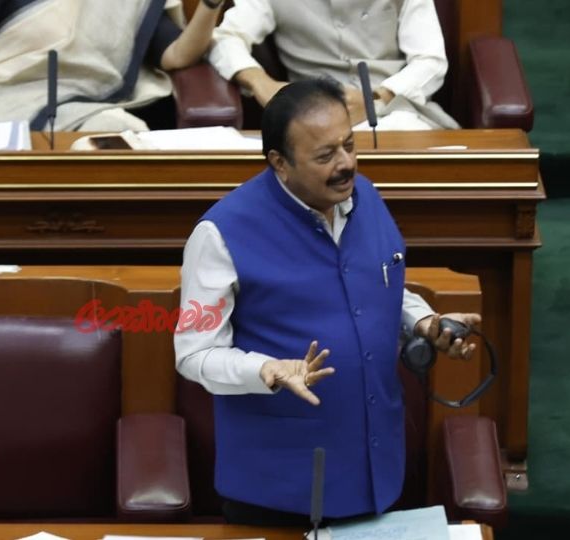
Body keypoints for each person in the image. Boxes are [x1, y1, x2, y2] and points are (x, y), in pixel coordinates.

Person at [174, 78, 479, 525]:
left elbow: (377, 284)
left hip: (377, 469)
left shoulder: (365, 197)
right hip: (281, 488)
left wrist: (422, 322)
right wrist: (265, 370)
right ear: (280, 163)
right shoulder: (221, 233)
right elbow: (194, 353)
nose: (346, 164)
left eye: (349, 145)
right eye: (325, 156)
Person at [0, 0, 223, 130]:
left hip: (86, 108)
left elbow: (176, 54)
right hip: (0, 101)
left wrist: (210, 6)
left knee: (122, 133)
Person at [207, 0, 460, 130]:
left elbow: (430, 60)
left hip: (397, 112)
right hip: (313, 119)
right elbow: (225, 38)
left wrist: (376, 98)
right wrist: (260, 83)